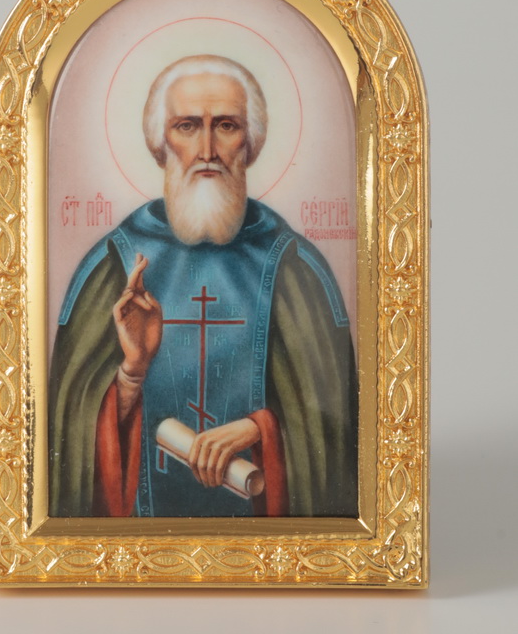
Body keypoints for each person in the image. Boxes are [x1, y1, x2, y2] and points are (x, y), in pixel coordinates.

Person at [49, 55, 357, 518]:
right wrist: (131, 373)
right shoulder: (112, 266)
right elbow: (66, 444)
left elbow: (335, 433)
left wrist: (258, 431)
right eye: (187, 126)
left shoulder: (295, 269)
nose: (207, 150)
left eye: (227, 126)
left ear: (250, 144)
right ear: (160, 145)